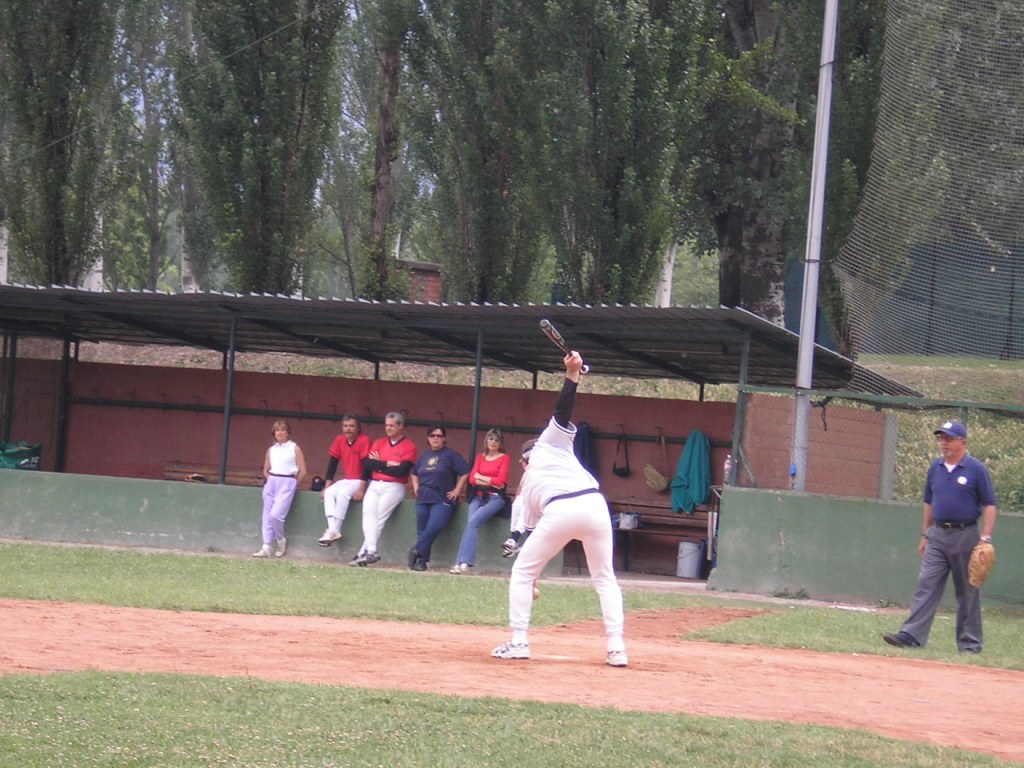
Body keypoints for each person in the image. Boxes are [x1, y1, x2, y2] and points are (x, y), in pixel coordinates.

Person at [492, 351, 628, 668]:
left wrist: (572, 374)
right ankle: (617, 648)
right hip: (595, 505)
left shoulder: (546, 444)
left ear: (524, 460)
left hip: (563, 508)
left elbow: (563, 409)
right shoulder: (528, 490)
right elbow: (529, 533)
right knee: (605, 578)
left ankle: (519, 642)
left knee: (521, 573)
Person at [883, 420, 997, 652]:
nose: (943, 442)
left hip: (966, 535)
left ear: (962, 443)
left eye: (949, 438)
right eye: (941, 438)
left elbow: (990, 505)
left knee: (967, 590)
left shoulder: (976, 469)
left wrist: (985, 537)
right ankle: (911, 635)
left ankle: (969, 644)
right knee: (926, 584)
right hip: (938, 534)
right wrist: (925, 534)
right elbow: (929, 502)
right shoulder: (935, 468)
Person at [350, 411, 418, 566]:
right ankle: (370, 552)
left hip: (395, 486)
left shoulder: (409, 446)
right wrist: (387, 463)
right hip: (375, 484)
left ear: (400, 426)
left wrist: (379, 464)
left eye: (392, 425)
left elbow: (401, 471)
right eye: (386, 425)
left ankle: (363, 553)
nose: (388, 428)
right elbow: (367, 464)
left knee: (379, 517)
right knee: (367, 514)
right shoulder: (379, 442)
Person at [408, 426, 470, 571]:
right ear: (428, 438)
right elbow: (414, 472)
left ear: (444, 439)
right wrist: (416, 487)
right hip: (423, 497)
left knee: (434, 527)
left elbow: (465, 471)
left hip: (442, 497)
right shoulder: (424, 456)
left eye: (439, 436)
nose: (435, 438)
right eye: (432, 436)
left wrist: (457, 490)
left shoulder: (450, 455)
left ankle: (416, 550)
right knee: (422, 530)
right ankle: (422, 562)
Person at [451, 428, 511, 574]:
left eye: (497, 440)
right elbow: (472, 479)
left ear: (501, 443)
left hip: (495, 498)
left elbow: (501, 481)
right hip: (478, 495)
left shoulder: (504, 458)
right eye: (491, 439)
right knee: (470, 524)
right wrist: (490, 480)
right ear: (486, 440)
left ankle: (465, 563)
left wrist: (482, 477)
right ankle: (460, 564)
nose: (493, 442)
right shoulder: (480, 457)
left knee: (473, 523)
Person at [253, 419, 307, 558]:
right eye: (277, 430)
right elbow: (266, 469)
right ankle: (266, 546)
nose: (280, 433)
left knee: (276, 515)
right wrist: (269, 479)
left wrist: (294, 484)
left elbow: (303, 470)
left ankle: (280, 539)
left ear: (288, 432)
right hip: (272, 481)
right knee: (267, 515)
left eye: (283, 430)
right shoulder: (271, 450)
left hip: (287, 481)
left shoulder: (294, 448)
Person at [318, 414, 372, 546]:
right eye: (345, 426)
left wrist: (361, 488)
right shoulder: (340, 440)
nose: (348, 429)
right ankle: (332, 530)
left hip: (361, 479)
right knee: (330, 492)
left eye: (352, 426)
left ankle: (335, 530)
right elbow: (333, 463)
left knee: (342, 494)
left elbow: (367, 466)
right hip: (348, 479)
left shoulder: (364, 440)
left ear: (358, 428)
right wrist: (327, 485)